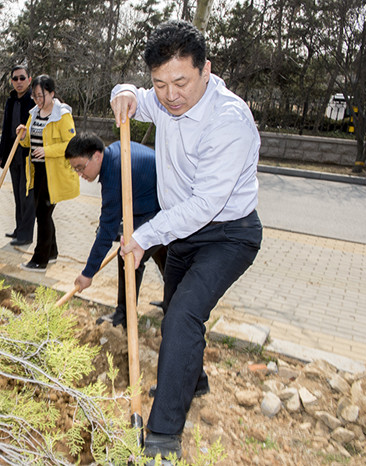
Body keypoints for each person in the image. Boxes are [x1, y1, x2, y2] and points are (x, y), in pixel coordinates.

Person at [111, 20, 262, 460]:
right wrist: (124, 92)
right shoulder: (163, 100)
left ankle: (162, 435)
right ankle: (192, 379)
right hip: (181, 233)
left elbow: (205, 204)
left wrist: (143, 236)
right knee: (177, 312)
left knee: (181, 316)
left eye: (181, 82)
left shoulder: (228, 121)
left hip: (227, 234)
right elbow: (132, 98)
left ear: (205, 69)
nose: (170, 95)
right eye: (160, 84)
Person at [64, 134, 167, 328]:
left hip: (162, 208)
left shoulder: (114, 174)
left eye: (80, 167)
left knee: (128, 254)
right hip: (154, 203)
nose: (79, 174)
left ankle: (124, 314)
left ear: (97, 156)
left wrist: (88, 273)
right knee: (162, 252)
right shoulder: (115, 153)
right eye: (75, 169)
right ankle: (172, 300)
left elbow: (106, 231)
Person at [16, 75, 79, 272]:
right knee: (43, 213)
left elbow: (71, 144)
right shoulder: (34, 113)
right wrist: (23, 136)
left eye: (41, 95)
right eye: (34, 96)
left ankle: (40, 259)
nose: (37, 100)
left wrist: (47, 150)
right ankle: (51, 252)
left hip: (54, 173)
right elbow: (28, 142)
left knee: (42, 213)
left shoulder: (62, 115)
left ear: (52, 93)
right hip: (38, 171)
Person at [0, 65, 36, 246]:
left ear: (29, 80)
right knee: (17, 195)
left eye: (22, 78)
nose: (19, 82)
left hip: (28, 154)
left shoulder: (34, 101)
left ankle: (26, 235)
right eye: (15, 78)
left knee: (26, 195)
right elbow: (6, 129)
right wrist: (2, 154)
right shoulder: (10, 101)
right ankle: (19, 229)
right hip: (12, 154)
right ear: (11, 81)